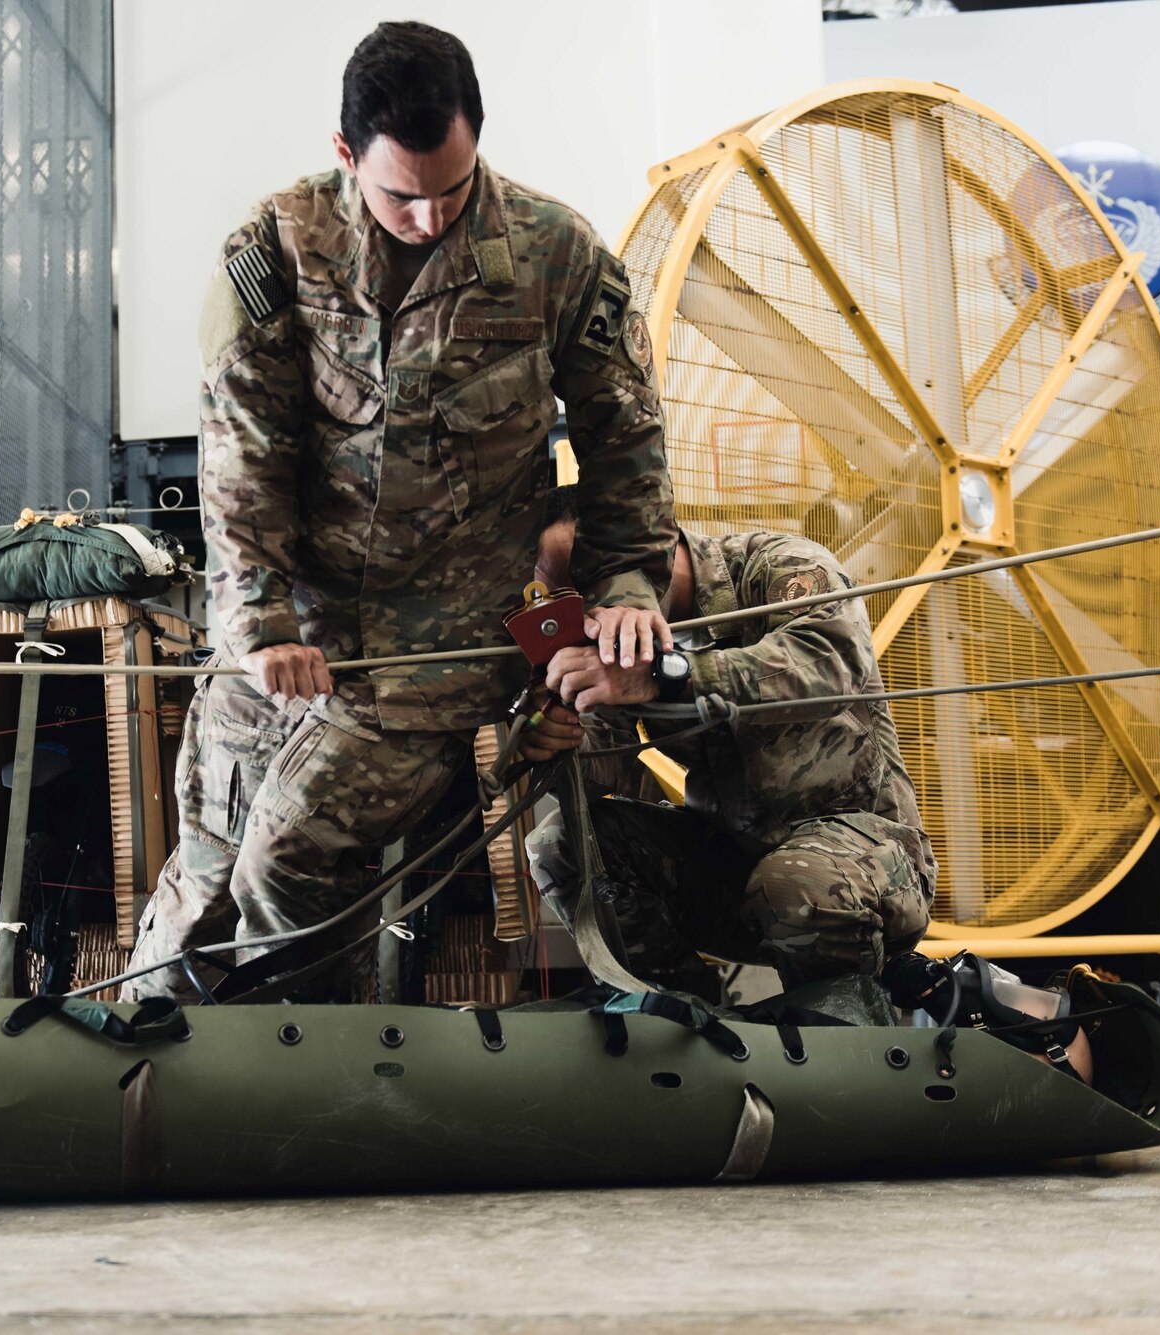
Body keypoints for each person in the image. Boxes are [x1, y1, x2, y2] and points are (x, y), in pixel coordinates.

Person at [123, 22, 675, 1002]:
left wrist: (626, 582)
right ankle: (144, 1071)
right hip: (291, 630)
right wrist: (255, 623)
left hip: (451, 646)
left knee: (289, 856)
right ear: (344, 155)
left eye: (450, 191)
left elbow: (624, 439)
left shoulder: (556, 256)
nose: (427, 217)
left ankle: (310, 1087)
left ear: (478, 140)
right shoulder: (276, 249)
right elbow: (242, 457)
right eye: (399, 195)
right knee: (205, 867)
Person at [521, 488, 938, 993]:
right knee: (558, 844)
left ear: (646, 547)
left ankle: (848, 1043)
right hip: (732, 874)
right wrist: (554, 742)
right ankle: (685, 1028)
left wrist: (668, 675)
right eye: (567, 600)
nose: (585, 619)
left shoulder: (779, 565)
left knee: (791, 883)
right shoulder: (619, 643)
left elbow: (833, 665)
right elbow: (612, 769)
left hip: (866, 868)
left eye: (586, 589)